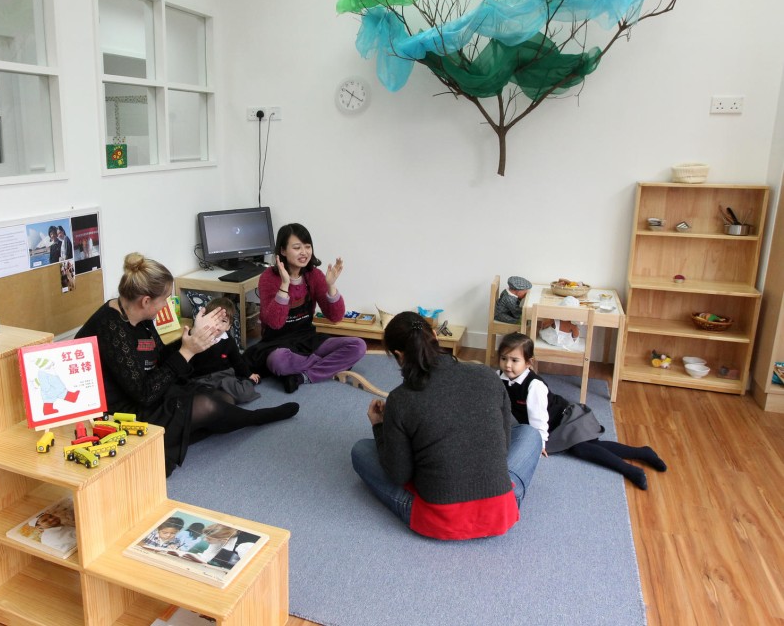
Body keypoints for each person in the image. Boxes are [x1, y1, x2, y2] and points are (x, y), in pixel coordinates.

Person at [76, 253, 299, 476]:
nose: (166, 305)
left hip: (145, 390)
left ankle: (177, 435)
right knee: (208, 406)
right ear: (145, 301)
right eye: (164, 299)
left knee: (223, 399)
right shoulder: (111, 329)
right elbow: (144, 394)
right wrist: (187, 351)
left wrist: (192, 337)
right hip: (122, 412)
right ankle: (256, 418)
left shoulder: (138, 316)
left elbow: (159, 357)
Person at [350, 312, 542, 540]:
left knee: (361, 450)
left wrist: (380, 427)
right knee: (530, 434)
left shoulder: (400, 399)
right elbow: (504, 448)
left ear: (399, 356)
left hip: (440, 521)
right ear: (435, 335)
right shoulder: (487, 375)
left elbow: (400, 475)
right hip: (502, 510)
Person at [497, 332, 667, 490]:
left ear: (528, 363)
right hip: (554, 426)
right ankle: (642, 453)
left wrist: (539, 443)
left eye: (514, 360)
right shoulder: (499, 377)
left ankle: (630, 469)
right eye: (504, 358)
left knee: (580, 448)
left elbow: (538, 417)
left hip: (566, 419)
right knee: (589, 446)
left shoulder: (534, 386)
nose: (508, 365)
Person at [244, 223, 366, 393]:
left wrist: (330, 286)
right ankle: (329, 365)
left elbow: (335, 317)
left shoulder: (314, 275)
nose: (304, 252)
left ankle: (301, 376)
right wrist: (285, 284)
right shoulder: (268, 277)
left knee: (358, 345)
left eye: (307, 247)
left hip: (307, 338)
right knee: (279, 361)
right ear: (283, 251)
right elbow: (275, 322)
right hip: (277, 343)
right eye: (297, 247)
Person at [189, 297, 261, 404]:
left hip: (224, 377)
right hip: (201, 379)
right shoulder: (196, 337)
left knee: (243, 393)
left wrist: (249, 374)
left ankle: (243, 383)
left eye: (223, 321)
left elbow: (238, 362)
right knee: (198, 399)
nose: (217, 324)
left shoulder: (229, 341)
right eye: (214, 319)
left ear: (228, 327)